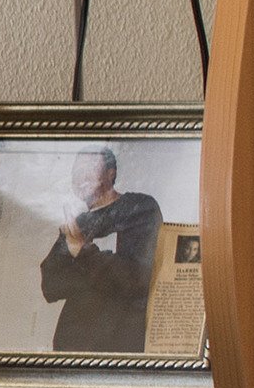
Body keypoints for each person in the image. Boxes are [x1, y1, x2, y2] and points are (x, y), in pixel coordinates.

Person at [39, 150, 163, 353]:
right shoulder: (77, 224)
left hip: (119, 354)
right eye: (76, 172)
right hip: (71, 353)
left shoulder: (140, 208)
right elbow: (50, 285)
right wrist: (97, 269)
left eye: (89, 169)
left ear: (111, 173)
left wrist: (83, 253)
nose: (81, 177)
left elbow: (137, 279)